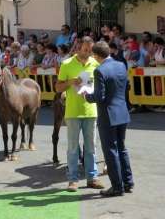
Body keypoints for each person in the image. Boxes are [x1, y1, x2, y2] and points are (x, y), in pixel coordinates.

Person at [84, 41, 134, 197]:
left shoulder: (100, 70)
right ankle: (128, 182)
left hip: (108, 115)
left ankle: (117, 187)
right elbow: (125, 87)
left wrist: (87, 95)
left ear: (96, 55)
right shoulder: (121, 65)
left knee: (110, 151)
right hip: (122, 112)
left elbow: (100, 97)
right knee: (122, 148)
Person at [55, 36, 104, 192]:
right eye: (85, 49)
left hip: (91, 111)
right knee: (73, 148)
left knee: (91, 148)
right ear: (78, 48)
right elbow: (57, 87)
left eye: (90, 50)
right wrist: (70, 82)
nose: (88, 52)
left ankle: (92, 178)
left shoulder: (96, 64)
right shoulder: (67, 64)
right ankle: (73, 180)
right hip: (73, 112)